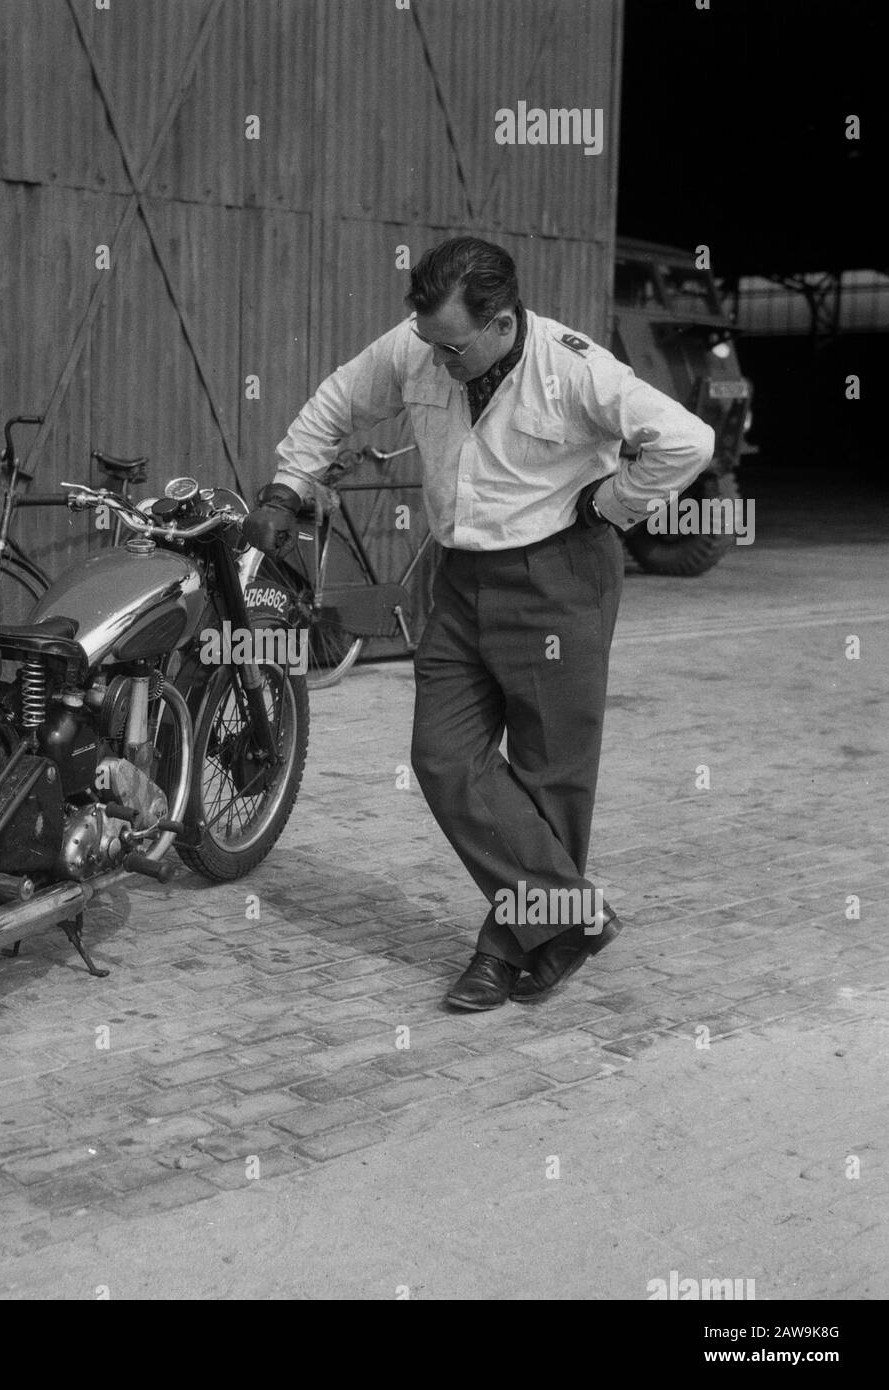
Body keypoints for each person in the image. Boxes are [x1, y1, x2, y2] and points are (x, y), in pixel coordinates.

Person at [243, 236, 714, 1011]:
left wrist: (614, 505)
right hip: (460, 577)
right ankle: (570, 917)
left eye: (451, 346)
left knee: (548, 776)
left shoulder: (575, 369)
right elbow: (339, 400)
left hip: (558, 577)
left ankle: (505, 951)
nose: (436, 359)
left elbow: (688, 441)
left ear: (501, 322)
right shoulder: (421, 344)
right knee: (441, 756)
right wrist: (285, 487)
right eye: (428, 341)